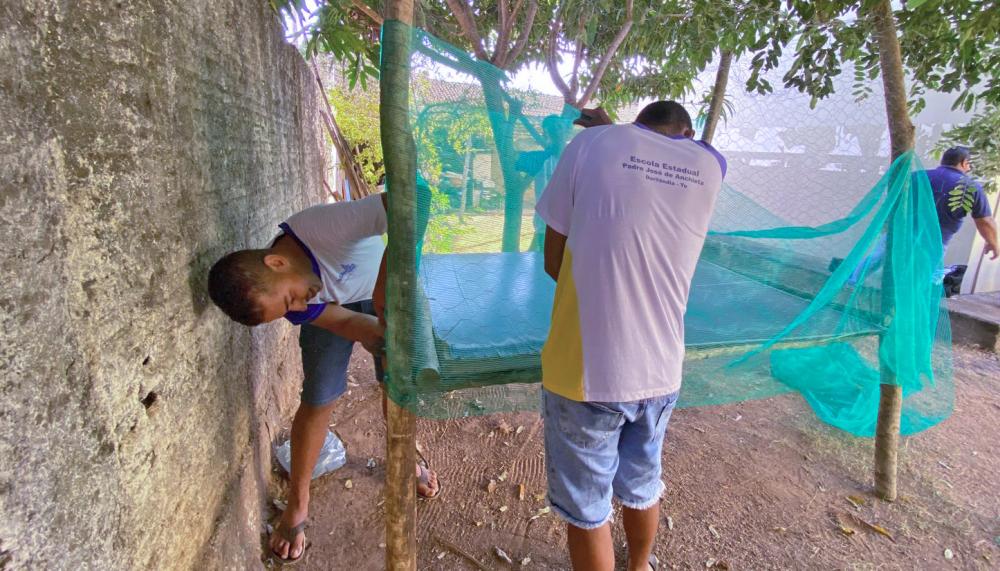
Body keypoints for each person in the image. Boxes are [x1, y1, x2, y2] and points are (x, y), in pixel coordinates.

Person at [535, 101, 727, 571]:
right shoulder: (709, 165)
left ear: (635, 124)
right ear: (685, 132)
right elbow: (678, 148)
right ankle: (640, 566)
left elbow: (553, 261)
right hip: (661, 372)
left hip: (586, 371)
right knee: (642, 486)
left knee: (587, 509)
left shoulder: (590, 145)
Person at [207, 193, 441, 563]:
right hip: (341, 307)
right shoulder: (301, 302)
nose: (299, 309)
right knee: (319, 396)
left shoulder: (321, 228)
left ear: (277, 262)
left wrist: (388, 281)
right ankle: (298, 504)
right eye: (289, 311)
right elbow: (346, 322)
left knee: (395, 383)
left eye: (289, 302)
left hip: (377, 287)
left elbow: (418, 197)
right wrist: (379, 334)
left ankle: (404, 459)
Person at [928, 146, 998, 260]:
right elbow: (985, 221)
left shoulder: (916, 176)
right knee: (925, 276)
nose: (969, 168)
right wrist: (993, 243)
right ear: (964, 163)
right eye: (969, 164)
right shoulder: (970, 187)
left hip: (899, 237)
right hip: (933, 245)